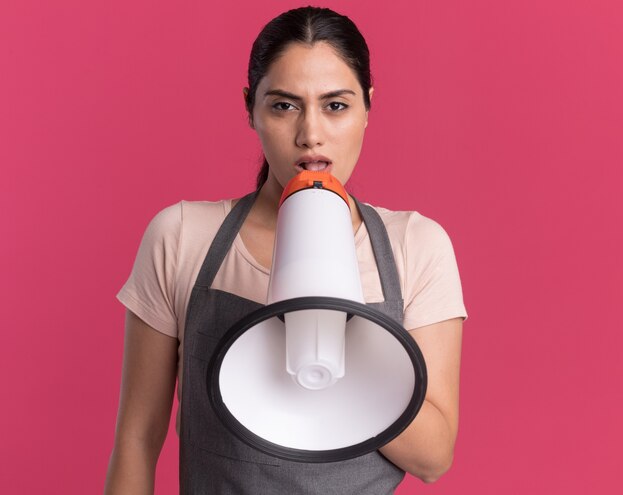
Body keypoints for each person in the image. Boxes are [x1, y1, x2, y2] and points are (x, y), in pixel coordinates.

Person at [105, 6, 467, 494]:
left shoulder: (416, 246)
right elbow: (136, 439)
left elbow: (434, 457)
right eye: (284, 105)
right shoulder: (182, 235)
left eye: (336, 105)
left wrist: (329, 342)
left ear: (367, 108)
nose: (310, 134)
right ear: (250, 107)